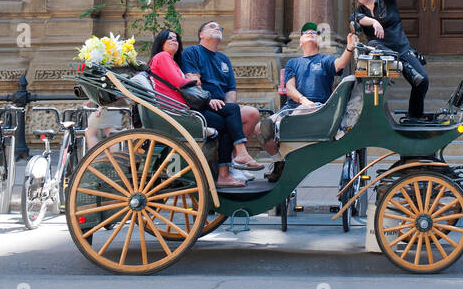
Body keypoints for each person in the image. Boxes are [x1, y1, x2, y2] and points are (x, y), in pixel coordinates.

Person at [149, 29, 261, 187]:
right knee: (231, 112)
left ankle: (228, 169)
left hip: (184, 109)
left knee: (229, 116)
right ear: (160, 41)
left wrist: (195, 83)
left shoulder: (172, 60)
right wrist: (199, 87)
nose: (174, 40)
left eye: (176, 38)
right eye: (169, 38)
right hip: (178, 111)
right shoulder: (162, 57)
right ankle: (237, 157)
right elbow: (179, 82)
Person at [180, 21, 279, 172]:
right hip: (202, 105)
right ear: (201, 35)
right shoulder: (192, 52)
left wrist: (228, 108)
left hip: (221, 107)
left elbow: (231, 90)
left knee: (252, 114)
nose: (217, 28)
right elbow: (193, 82)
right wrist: (209, 100)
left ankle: (235, 160)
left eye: (220, 27)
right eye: (212, 27)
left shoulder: (223, 59)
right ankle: (238, 157)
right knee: (230, 117)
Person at [348, 0, 431, 120]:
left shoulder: (387, 1)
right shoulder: (360, 12)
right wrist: (373, 22)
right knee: (372, 45)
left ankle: (415, 116)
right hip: (380, 51)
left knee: (422, 81)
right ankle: (402, 65)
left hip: (402, 50)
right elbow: (353, 19)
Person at [280, 22, 357, 118]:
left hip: (319, 109)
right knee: (260, 123)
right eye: (305, 32)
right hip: (292, 107)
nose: (310, 33)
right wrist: (303, 100)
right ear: (300, 42)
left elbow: (340, 64)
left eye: (314, 32)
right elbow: (290, 89)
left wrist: (349, 48)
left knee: (287, 122)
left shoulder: (325, 60)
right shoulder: (292, 63)